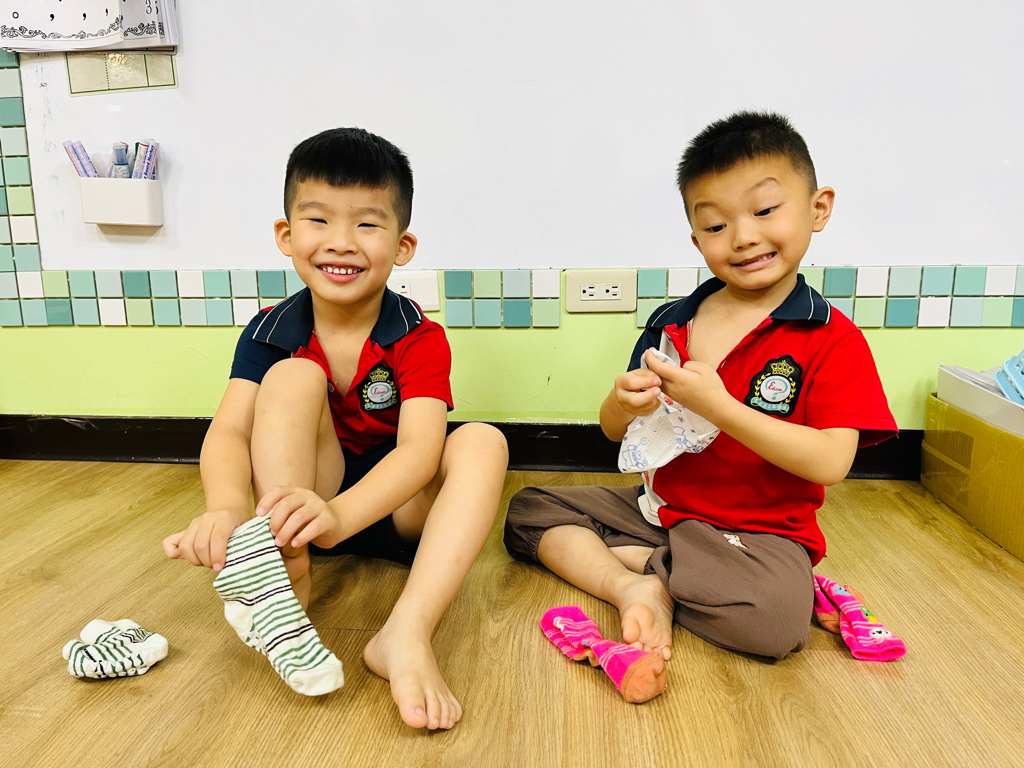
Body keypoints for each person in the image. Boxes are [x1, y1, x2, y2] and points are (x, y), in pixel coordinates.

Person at [504, 111, 896, 663]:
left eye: (765, 210)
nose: (743, 237)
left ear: (818, 208)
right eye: (715, 227)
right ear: (696, 239)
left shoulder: (831, 337)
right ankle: (641, 580)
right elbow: (614, 430)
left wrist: (721, 408)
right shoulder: (673, 323)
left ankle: (649, 567)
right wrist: (621, 401)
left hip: (757, 535)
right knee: (529, 509)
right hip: (660, 511)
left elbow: (831, 461)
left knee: (772, 625)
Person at [163, 127, 508, 730]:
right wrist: (226, 508)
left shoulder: (419, 336)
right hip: (301, 510)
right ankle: (284, 570)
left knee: (484, 440)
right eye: (319, 220)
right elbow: (229, 432)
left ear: (402, 246)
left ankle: (405, 633)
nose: (341, 243)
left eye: (367, 224)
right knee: (292, 377)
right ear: (286, 235)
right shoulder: (270, 330)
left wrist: (340, 516)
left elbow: (420, 453)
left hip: (394, 511)